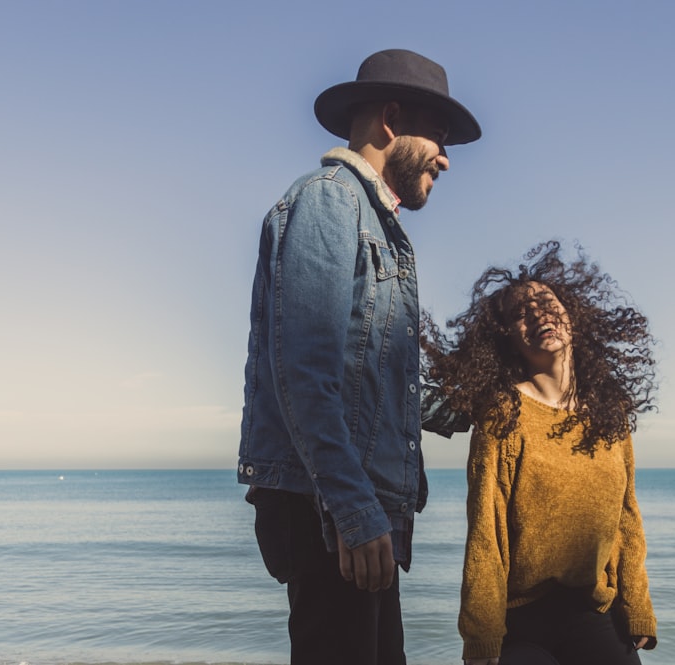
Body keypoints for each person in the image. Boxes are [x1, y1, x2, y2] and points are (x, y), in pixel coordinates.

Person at [236, 49, 481, 665]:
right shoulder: (328, 203)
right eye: (440, 139)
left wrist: (486, 398)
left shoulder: (379, 226)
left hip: (360, 505)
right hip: (333, 507)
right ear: (392, 120)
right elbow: (305, 373)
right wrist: (352, 509)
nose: (447, 160)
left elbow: (378, 384)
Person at [421, 241, 659, 665]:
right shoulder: (503, 414)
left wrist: (636, 606)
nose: (538, 315)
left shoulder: (609, 413)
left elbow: (626, 518)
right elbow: (487, 532)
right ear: (508, 337)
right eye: (521, 313)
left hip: (593, 613)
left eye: (547, 303)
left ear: (573, 318)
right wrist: (481, 638)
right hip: (521, 622)